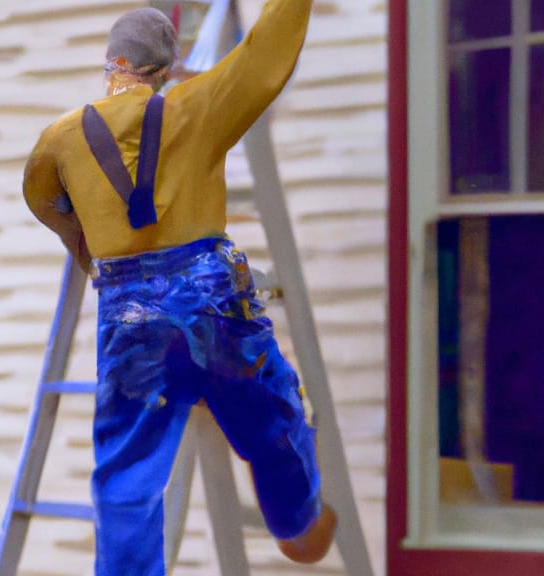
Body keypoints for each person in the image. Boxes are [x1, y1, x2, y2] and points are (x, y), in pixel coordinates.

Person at [22, 1, 337, 574]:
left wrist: (87, 243)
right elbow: (266, 54)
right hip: (211, 300)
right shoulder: (195, 106)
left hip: (129, 312)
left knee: (126, 473)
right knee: (274, 410)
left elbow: (41, 197)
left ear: (110, 64)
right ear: (166, 68)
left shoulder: (60, 138)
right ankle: (298, 524)